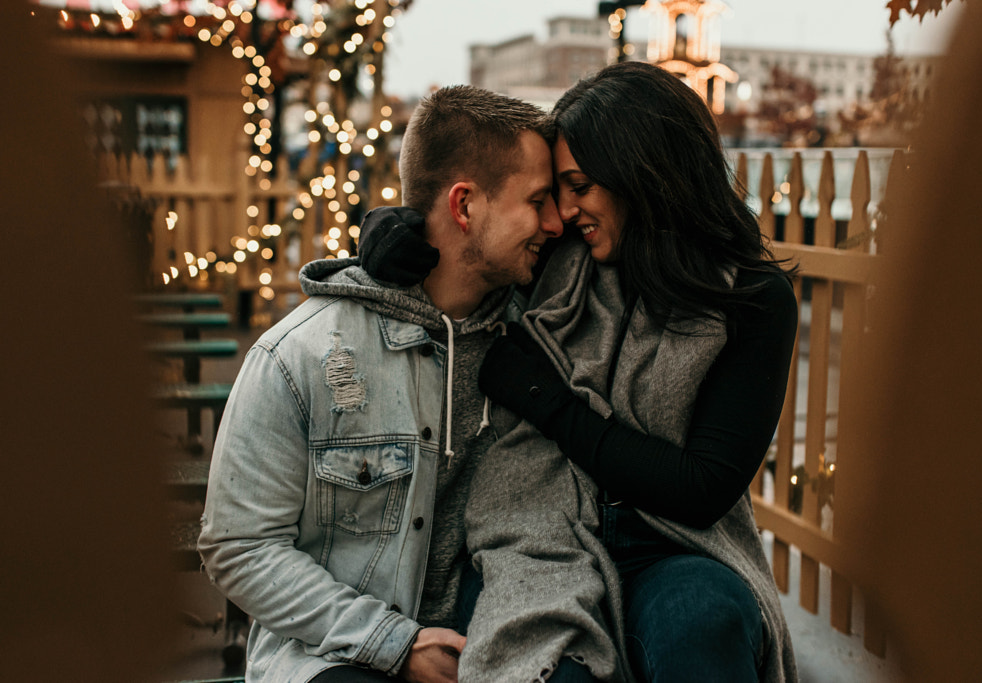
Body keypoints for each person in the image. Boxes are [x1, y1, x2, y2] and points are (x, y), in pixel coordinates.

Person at [359, 61, 800, 682]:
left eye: (581, 185)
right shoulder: (563, 259)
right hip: (542, 532)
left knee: (703, 621)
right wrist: (386, 230)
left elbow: (701, 488)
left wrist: (547, 400)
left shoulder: (752, 299)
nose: (563, 212)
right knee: (539, 662)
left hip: (676, 546)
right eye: (559, 190)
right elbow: (473, 232)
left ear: (644, 176)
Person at [197, 85, 571, 683]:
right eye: (538, 199)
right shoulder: (301, 355)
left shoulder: (541, 338)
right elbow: (239, 547)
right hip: (335, 652)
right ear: (465, 205)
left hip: (501, 644)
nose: (557, 222)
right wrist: (394, 642)